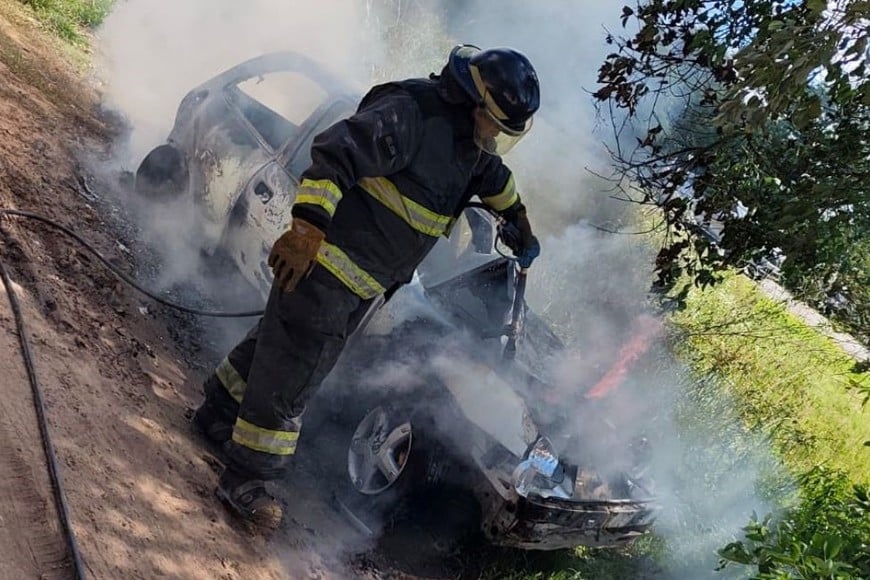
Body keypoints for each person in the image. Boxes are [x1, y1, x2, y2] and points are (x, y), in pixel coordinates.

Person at [192, 44, 543, 529]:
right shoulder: (410, 114)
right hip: (326, 266)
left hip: (366, 282)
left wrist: (518, 218)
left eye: (504, 134)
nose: (495, 139)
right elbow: (333, 156)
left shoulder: (469, 146)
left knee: (279, 347)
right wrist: (306, 230)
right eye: (494, 125)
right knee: (297, 374)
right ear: (471, 101)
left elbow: (495, 178)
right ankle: (247, 479)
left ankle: (216, 412)